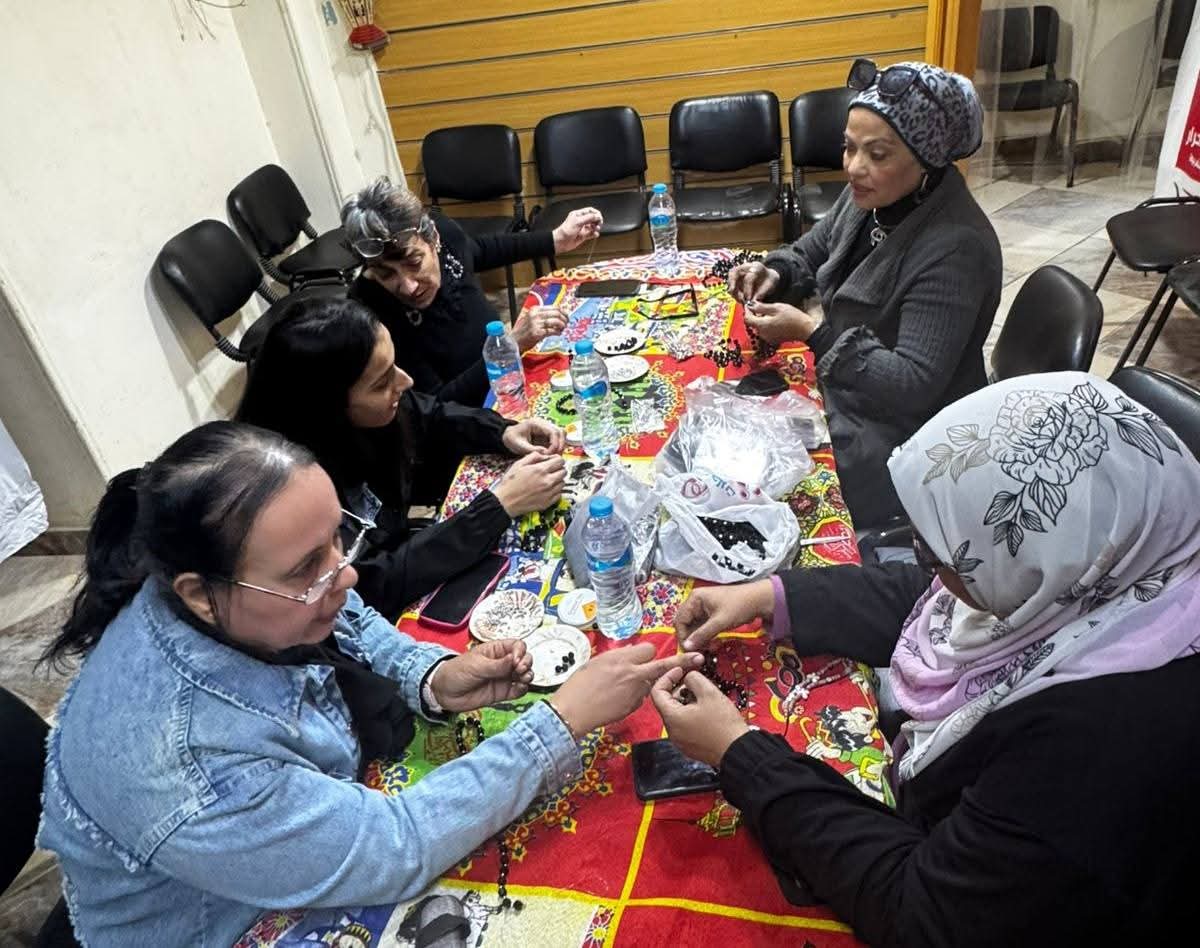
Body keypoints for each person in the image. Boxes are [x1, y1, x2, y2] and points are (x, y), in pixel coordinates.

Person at [37, 421, 702, 946]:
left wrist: (433, 676)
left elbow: (343, 612)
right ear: (198, 593)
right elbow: (393, 848)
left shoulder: (244, 595)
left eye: (338, 540)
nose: (344, 573)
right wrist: (559, 722)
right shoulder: (183, 763)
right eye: (307, 566)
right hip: (224, 924)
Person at [651, 373, 1200, 947]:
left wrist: (739, 754)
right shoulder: (1105, 571)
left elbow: (921, 914)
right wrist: (769, 596)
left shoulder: (1099, 752)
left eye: (936, 554)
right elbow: (935, 599)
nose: (927, 568)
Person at [725, 59, 1001, 526]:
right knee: (736, 417)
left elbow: (912, 384)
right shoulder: (872, 198)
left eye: (878, 154)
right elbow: (810, 250)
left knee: (766, 478)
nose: (854, 167)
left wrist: (814, 333)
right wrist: (774, 272)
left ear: (928, 158)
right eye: (849, 147)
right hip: (856, 393)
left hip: (909, 437)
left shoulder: (956, 248)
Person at [237, 296, 565, 621]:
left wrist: (502, 431)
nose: (405, 381)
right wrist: (499, 505)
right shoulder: (291, 494)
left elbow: (428, 413)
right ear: (327, 408)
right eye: (382, 382)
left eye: (393, 365)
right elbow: (373, 583)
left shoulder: (360, 412)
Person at [343, 177, 602, 405]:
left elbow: (478, 250)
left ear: (434, 238)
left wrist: (555, 239)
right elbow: (435, 407)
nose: (408, 286)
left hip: (506, 374)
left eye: (414, 262)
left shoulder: (445, 234)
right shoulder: (369, 310)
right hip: (470, 416)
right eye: (385, 274)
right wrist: (508, 348)